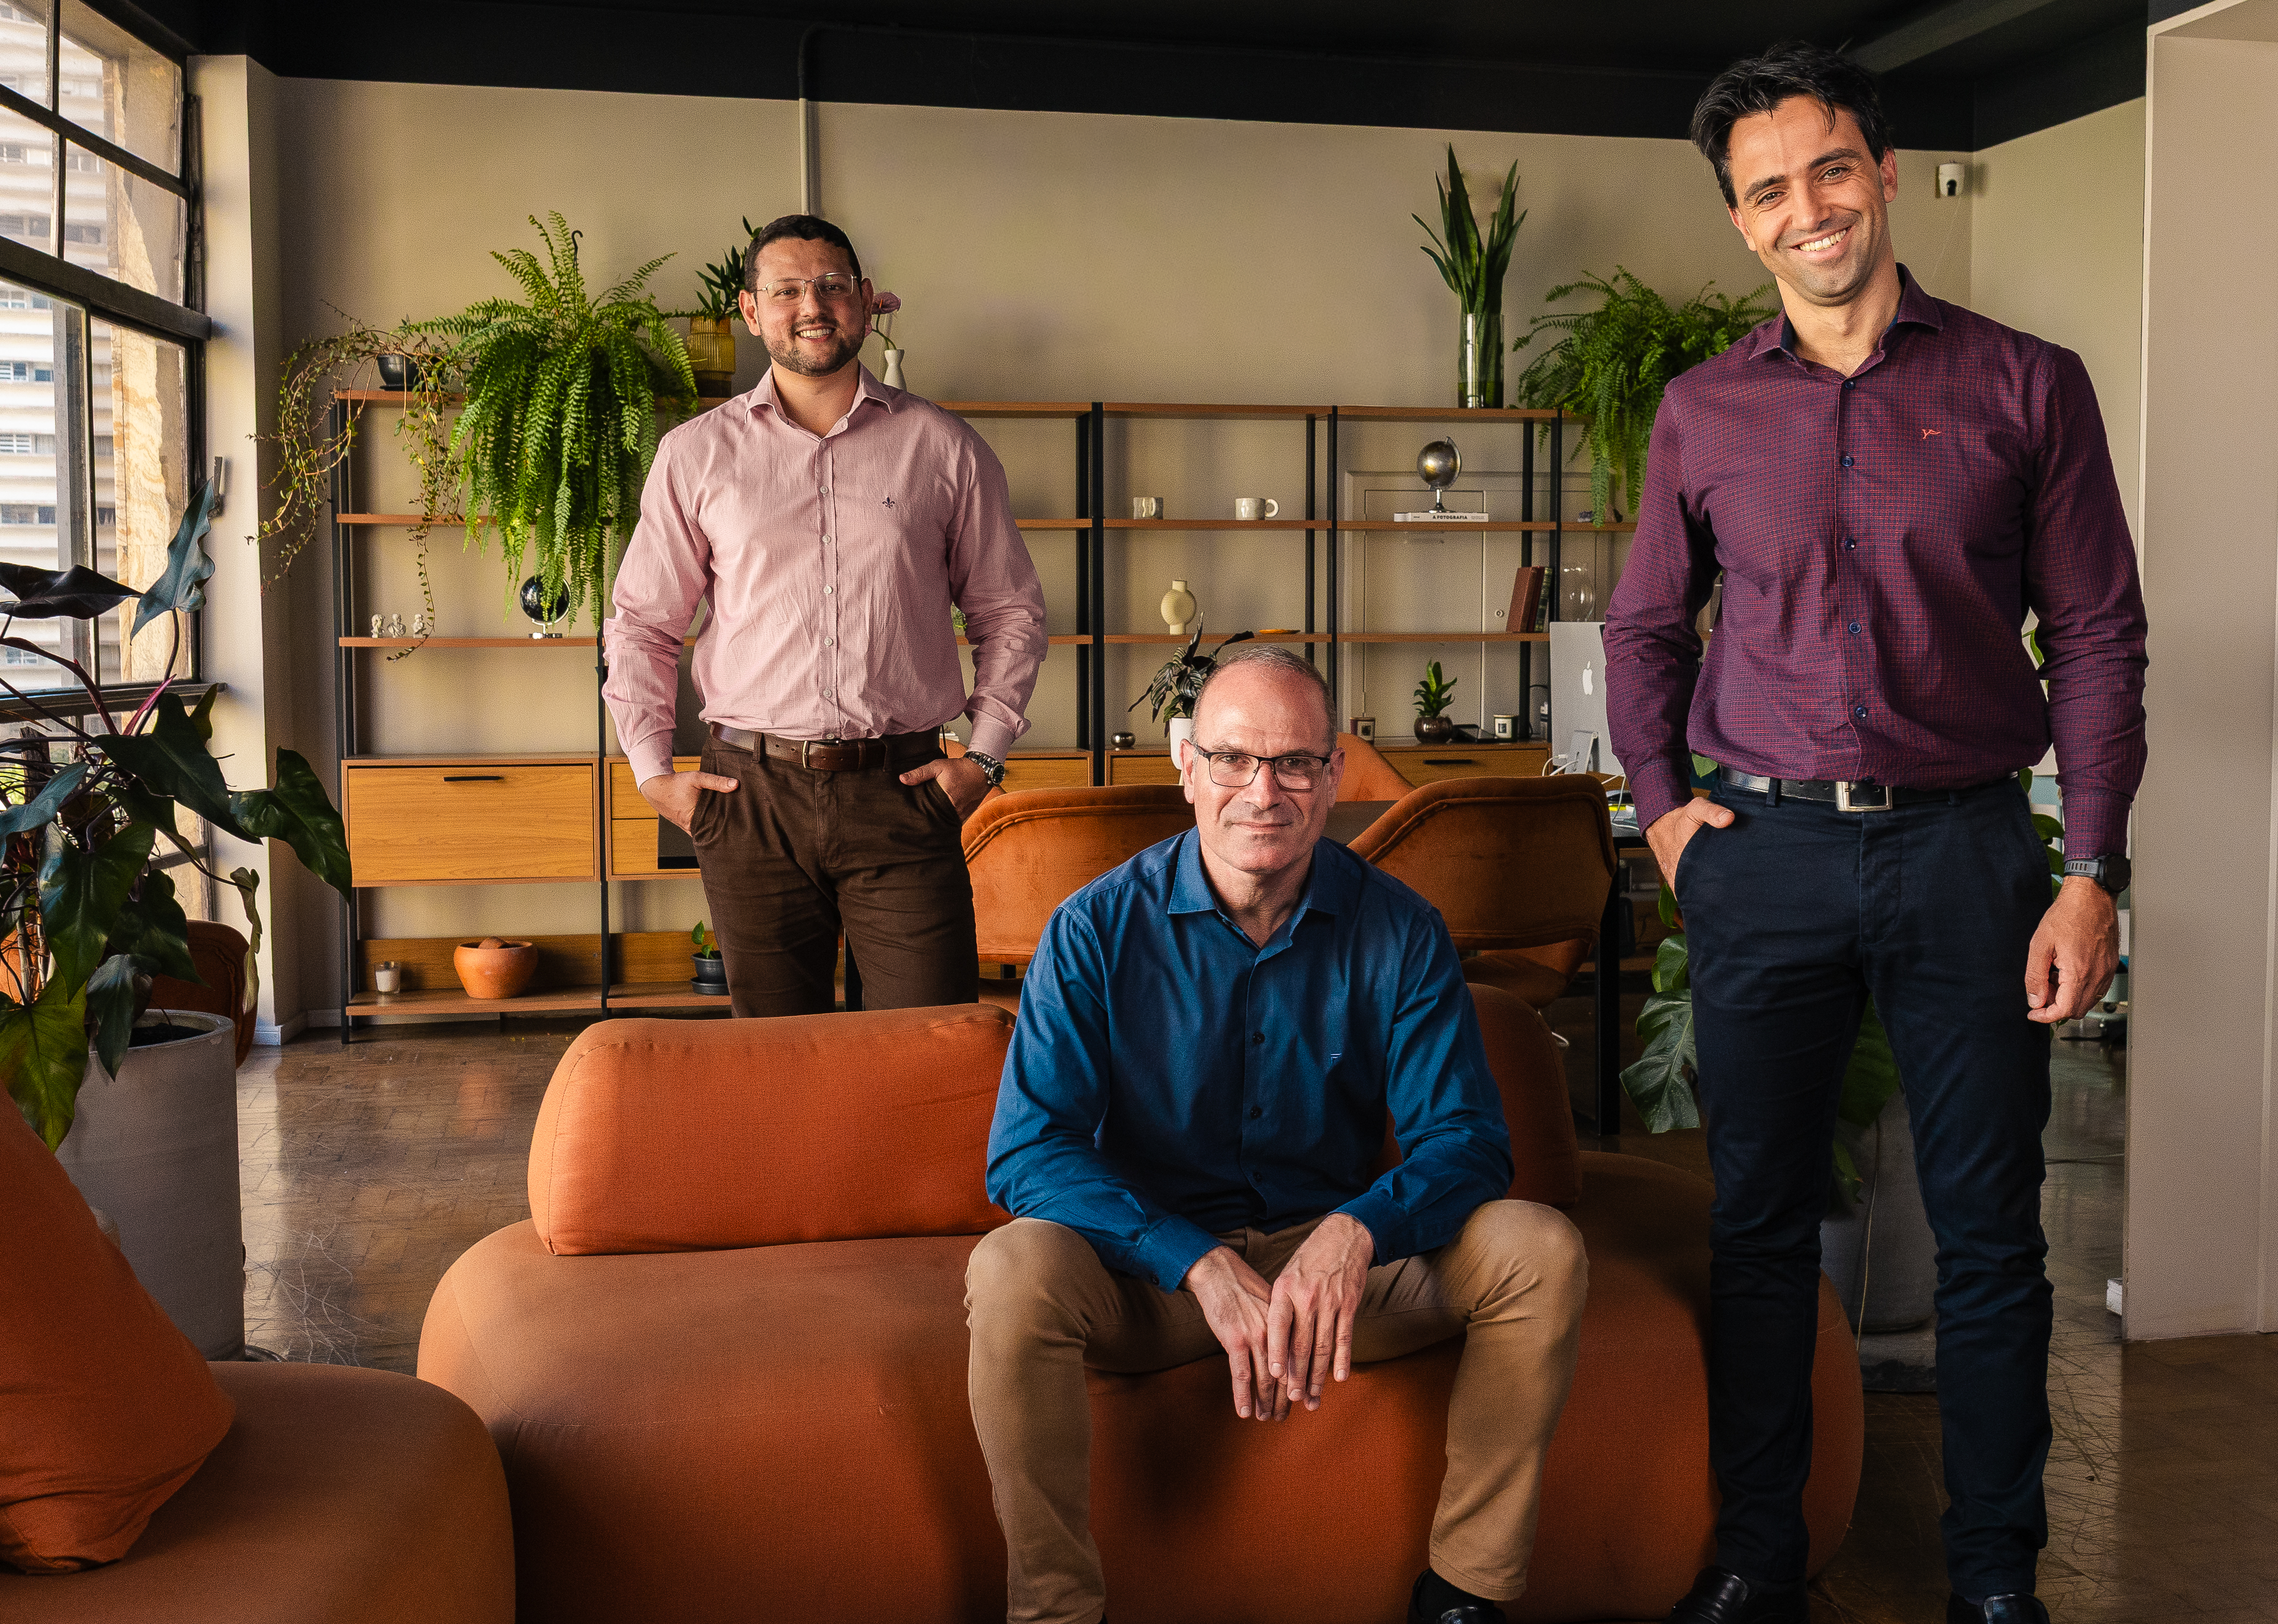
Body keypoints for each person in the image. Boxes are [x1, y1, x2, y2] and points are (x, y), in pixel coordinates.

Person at [1603, 43, 2146, 1624]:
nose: (1808, 207)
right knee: (1761, 1223)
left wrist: (2091, 862)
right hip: (1760, 855)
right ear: (1740, 218)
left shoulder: (2025, 383)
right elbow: (1645, 627)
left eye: (1830, 168)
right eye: (1769, 188)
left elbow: (2099, 634)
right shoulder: (1702, 411)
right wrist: (1667, 818)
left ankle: (1994, 1576)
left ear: (1885, 173)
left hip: (1971, 851)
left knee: (1990, 1235)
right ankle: (1760, 1553)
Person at [969, 646, 1589, 1624]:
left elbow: (1466, 1138)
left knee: (1537, 1249)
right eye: (1232, 759)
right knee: (1012, 1269)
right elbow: (1029, 1151)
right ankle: (1055, 1612)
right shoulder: (1093, 929)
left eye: (1295, 762)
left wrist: (1356, 1232)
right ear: (1185, 767)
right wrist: (1197, 1260)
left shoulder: (1401, 928)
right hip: (1153, 1278)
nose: (1263, 791)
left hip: (1331, 1273)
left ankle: (1466, 1596)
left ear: (1333, 776)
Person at [604, 214, 1047, 1017]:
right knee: (777, 1068)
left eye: (834, 285)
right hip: (749, 800)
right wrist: (651, 773)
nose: (814, 305)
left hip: (906, 791)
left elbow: (1011, 612)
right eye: (787, 290)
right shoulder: (697, 456)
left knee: (928, 1052)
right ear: (750, 310)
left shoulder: (944, 449)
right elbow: (640, 622)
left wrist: (982, 760)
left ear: (868, 302)